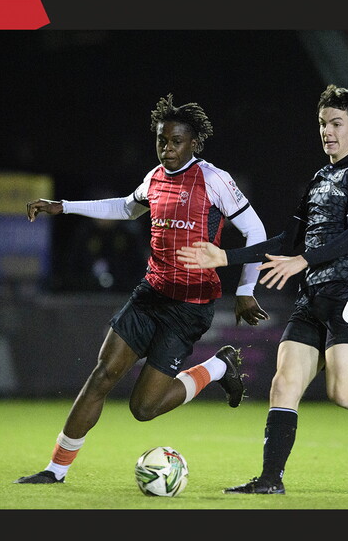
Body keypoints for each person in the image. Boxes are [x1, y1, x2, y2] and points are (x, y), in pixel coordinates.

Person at [177, 84, 348, 495]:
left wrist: (303, 261)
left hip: (346, 291)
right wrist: (226, 257)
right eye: (323, 123)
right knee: (284, 382)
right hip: (310, 297)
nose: (327, 131)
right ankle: (271, 480)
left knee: (344, 392)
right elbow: (284, 240)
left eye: (336, 123)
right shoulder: (318, 178)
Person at [14, 94, 270, 484]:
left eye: (176, 141)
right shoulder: (154, 178)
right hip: (149, 296)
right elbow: (125, 207)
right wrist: (62, 206)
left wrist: (246, 288)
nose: (167, 148)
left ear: (194, 143)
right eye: (161, 140)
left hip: (189, 307)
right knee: (102, 375)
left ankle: (219, 366)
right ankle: (55, 470)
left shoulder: (214, 180)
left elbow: (256, 231)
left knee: (144, 408)